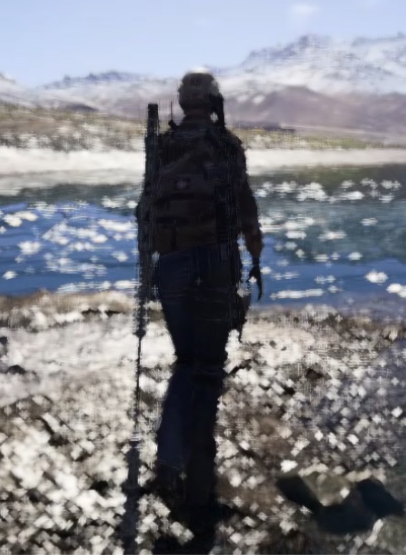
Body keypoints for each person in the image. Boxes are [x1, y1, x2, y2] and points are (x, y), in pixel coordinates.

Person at [139, 71, 264, 540]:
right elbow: (244, 206)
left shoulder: (162, 146)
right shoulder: (227, 144)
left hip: (170, 265)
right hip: (215, 262)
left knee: (185, 363)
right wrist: (254, 254)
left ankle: (168, 461)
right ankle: (200, 490)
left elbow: (145, 206)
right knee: (208, 371)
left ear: (181, 103)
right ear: (212, 102)